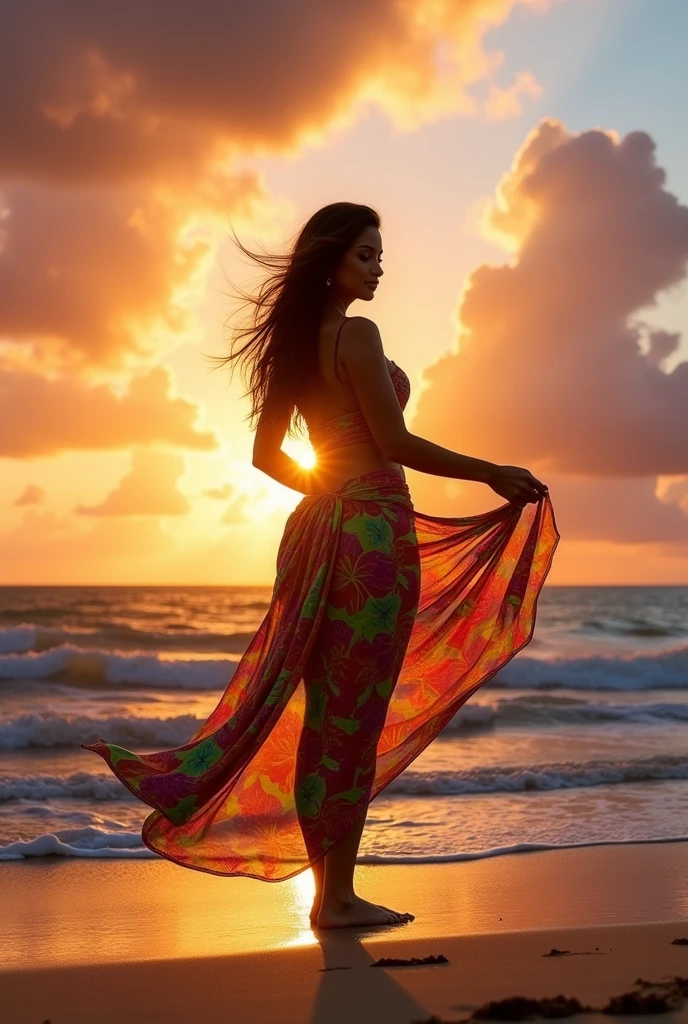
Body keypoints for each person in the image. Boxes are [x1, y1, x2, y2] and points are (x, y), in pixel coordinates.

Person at [82, 202, 558, 930]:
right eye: (366, 254)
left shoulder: (296, 347)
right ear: (332, 259)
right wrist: (489, 470)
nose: (377, 267)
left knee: (323, 719)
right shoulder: (358, 334)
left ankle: (328, 898)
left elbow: (266, 455)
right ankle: (336, 899)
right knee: (354, 720)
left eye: (379, 254)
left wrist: (329, 492)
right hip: (370, 539)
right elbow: (393, 441)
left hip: (316, 533)